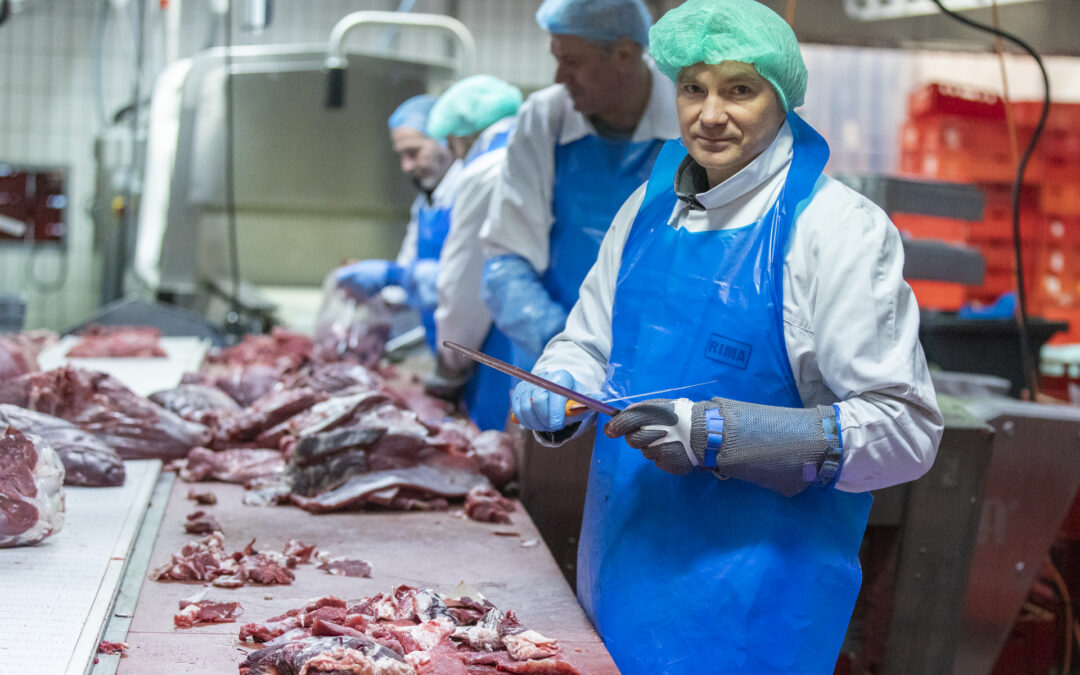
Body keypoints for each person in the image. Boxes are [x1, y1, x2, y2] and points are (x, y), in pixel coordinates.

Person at [510, 1, 944, 673]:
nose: (710, 114)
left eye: (739, 89)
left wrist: (720, 433)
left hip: (753, 617)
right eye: (694, 88)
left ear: (783, 98)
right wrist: (562, 381)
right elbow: (588, 342)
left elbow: (904, 430)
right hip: (620, 575)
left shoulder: (836, 229)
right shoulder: (648, 207)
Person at [479, 0, 680, 369]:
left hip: (659, 365)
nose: (558, 77)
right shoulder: (544, 117)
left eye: (571, 61)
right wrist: (566, 352)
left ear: (623, 53)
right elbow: (508, 257)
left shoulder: (689, 119)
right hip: (551, 359)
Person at [424, 75, 523, 431]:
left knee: (497, 460)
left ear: (460, 134)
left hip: (500, 348)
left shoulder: (486, 169)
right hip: (542, 342)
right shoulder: (534, 150)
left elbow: (464, 280)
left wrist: (450, 361)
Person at [335, 94, 460, 352]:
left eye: (414, 153)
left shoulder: (468, 192)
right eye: (401, 156)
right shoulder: (425, 203)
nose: (406, 166)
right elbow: (408, 276)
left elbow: (464, 284)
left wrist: (391, 275)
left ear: (444, 141)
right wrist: (377, 292)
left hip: (476, 349)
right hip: (441, 345)